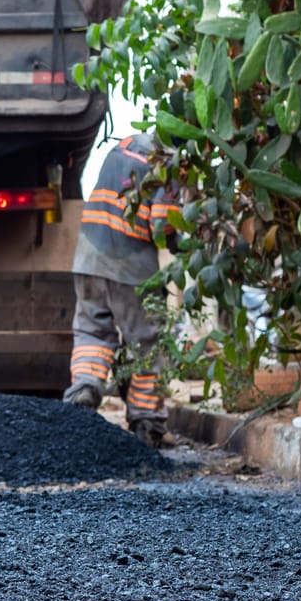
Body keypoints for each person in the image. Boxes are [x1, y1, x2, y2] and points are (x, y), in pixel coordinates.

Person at [63, 132, 181, 447]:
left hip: (88, 255)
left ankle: (85, 388)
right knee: (147, 343)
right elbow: (161, 221)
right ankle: (147, 424)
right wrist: (183, 238)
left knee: (92, 330)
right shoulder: (170, 163)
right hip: (131, 264)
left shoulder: (127, 144)